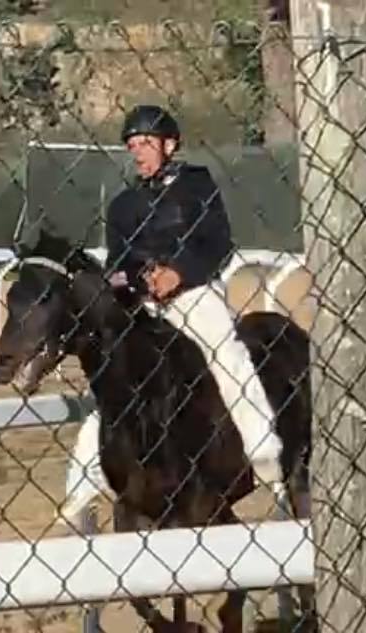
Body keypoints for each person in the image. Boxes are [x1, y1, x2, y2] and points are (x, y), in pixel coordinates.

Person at [103, 104, 283, 486]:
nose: (137, 151)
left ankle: (263, 447)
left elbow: (217, 242)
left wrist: (178, 272)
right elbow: (116, 263)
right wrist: (141, 277)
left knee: (225, 352)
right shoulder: (121, 205)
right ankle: (87, 481)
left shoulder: (197, 185)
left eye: (145, 143)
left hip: (195, 292)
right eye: (132, 144)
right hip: (142, 302)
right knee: (112, 375)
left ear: (169, 145)